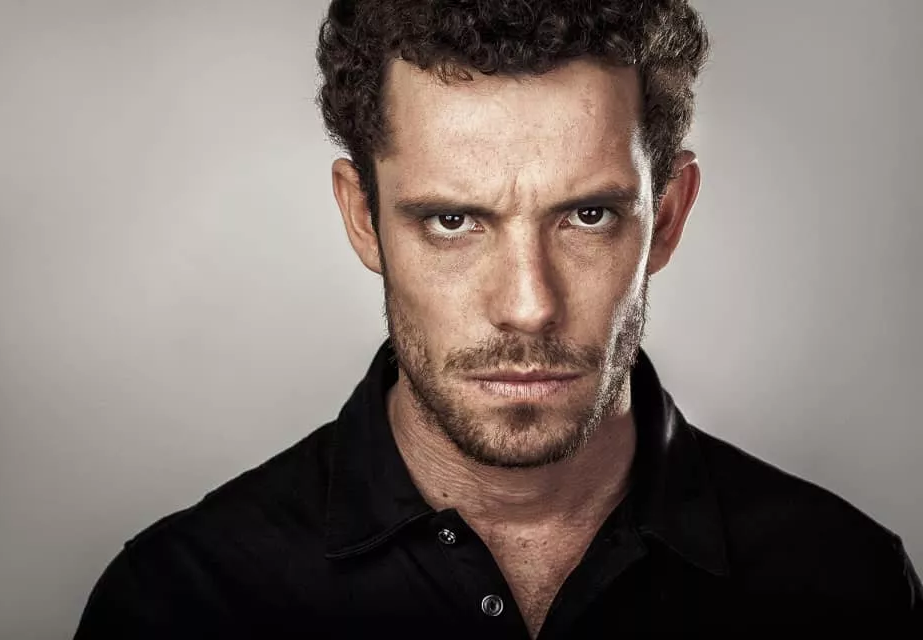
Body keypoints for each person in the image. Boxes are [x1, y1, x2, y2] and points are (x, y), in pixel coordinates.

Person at [73, 0, 922, 637]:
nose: (527, 305)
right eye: (454, 221)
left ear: (667, 216)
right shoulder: (183, 603)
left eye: (587, 215)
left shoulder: (847, 588)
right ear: (363, 218)